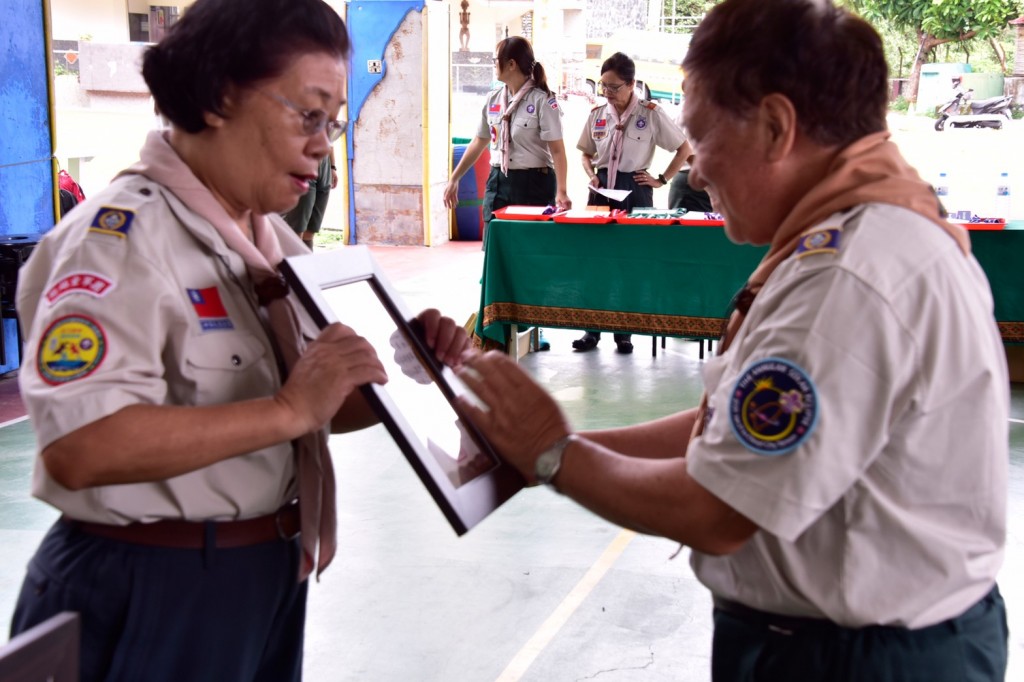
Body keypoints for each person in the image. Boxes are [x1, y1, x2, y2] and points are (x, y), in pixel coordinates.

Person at [454, 1, 1010, 679]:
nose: (697, 172)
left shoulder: (847, 280)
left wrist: (553, 457)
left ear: (776, 127)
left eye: (704, 138)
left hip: (852, 658)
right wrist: (541, 449)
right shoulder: (862, 236)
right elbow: (731, 426)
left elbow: (718, 510)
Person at [9, 1, 470, 680]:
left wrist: (402, 371)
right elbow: (82, 447)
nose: (324, 144)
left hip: (261, 569)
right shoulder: (116, 244)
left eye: (333, 122)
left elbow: (312, 411)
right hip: (149, 580)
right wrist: (289, 409)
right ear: (221, 95)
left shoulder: (265, 241)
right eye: (309, 116)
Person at [443, 36, 572, 352]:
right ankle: (495, 328)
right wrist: (455, 178)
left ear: (511, 64)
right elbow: (479, 141)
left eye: (495, 58)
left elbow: (557, 150)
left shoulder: (543, 101)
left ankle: (533, 330)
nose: (492, 64)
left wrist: (562, 192)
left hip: (533, 184)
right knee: (494, 256)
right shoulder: (493, 100)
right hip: (499, 183)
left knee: (529, 259)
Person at [573, 52, 689, 354]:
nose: (608, 94)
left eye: (614, 87)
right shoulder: (598, 112)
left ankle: (624, 333)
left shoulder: (650, 113)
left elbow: (683, 147)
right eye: (603, 86)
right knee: (595, 262)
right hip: (600, 191)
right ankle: (591, 331)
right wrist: (591, 174)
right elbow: (585, 151)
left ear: (631, 84)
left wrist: (661, 179)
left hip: (635, 190)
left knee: (630, 262)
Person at [283, 146, 338, 249]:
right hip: (304, 161)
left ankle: (307, 262)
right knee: (298, 227)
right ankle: (295, 263)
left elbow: (330, 141)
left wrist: (332, 167)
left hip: (325, 164)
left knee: (312, 228)